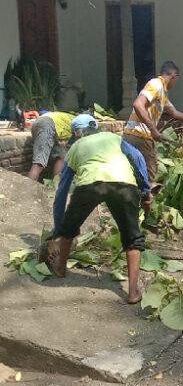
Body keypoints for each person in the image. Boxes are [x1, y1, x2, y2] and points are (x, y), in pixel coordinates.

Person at [48, 114, 151, 304]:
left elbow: (62, 190)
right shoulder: (114, 138)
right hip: (124, 185)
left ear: (77, 133)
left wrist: (59, 227)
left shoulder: (75, 148)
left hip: (90, 185)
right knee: (133, 238)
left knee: (70, 228)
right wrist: (146, 191)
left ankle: (60, 268)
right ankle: (132, 292)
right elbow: (137, 158)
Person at [123, 61, 183, 181]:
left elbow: (175, 113)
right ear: (174, 76)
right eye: (176, 79)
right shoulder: (156, 84)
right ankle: (148, 199)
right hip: (141, 136)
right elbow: (138, 104)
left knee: (135, 175)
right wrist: (153, 130)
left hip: (131, 135)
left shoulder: (162, 93)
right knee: (150, 177)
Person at [27, 111, 76, 182]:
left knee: (61, 156)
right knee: (39, 164)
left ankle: (57, 186)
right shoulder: (85, 124)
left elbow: (69, 144)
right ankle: (27, 190)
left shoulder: (71, 120)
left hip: (41, 123)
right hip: (47, 125)